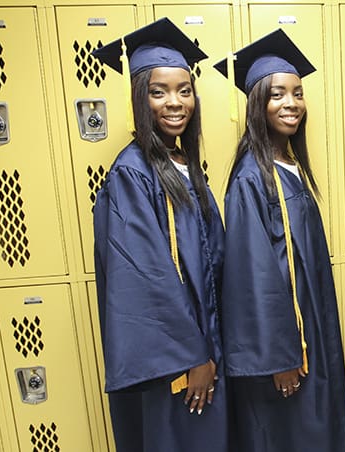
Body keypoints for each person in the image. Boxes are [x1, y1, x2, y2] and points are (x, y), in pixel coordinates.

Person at [91, 18, 228, 452]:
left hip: (206, 344)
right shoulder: (133, 172)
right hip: (176, 364)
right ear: (139, 98)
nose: (175, 102)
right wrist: (193, 358)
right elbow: (147, 279)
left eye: (184, 90)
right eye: (159, 91)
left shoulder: (182, 163)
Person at [213, 29, 345, 451]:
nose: (291, 103)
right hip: (287, 353)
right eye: (277, 95)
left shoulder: (287, 164)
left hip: (311, 336)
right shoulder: (252, 177)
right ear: (258, 104)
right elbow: (253, 279)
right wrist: (280, 359)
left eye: (297, 93)